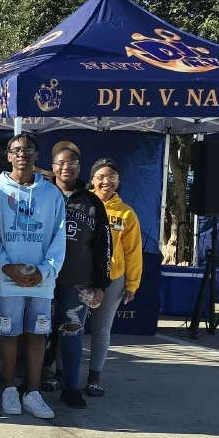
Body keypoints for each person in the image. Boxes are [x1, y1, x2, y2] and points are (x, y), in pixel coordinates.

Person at [0, 132, 67, 419]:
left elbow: (59, 237)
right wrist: (7, 267)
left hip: (41, 281)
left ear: (36, 156)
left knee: (37, 334)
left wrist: (44, 270)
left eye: (28, 150)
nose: (22, 154)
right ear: (8, 155)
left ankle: (33, 392)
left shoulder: (51, 194)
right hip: (7, 280)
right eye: (16, 150)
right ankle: (9, 390)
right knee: (9, 335)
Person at [41, 144, 111, 411]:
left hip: (76, 280)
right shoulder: (42, 194)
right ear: (53, 166)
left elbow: (103, 246)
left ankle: (70, 387)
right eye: (61, 163)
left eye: (72, 163)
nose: (66, 167)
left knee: (71, 332)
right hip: (42, 277)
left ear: (80, 168)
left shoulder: (92, 202)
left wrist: (101, 284)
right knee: (37, 332)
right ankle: (33, 384)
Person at [87, 157, 142, 397]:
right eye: (100, 177)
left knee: (101, 330)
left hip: (112, 279)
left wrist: (132, 284)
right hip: (80, 276)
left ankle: (94, 378)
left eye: (111, 177)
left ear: (118, 181)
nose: (106, 181)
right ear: (92, 180)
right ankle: (60, 375)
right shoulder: (82, 203)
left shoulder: (126, 214)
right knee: (70, 327)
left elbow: (132, 252)